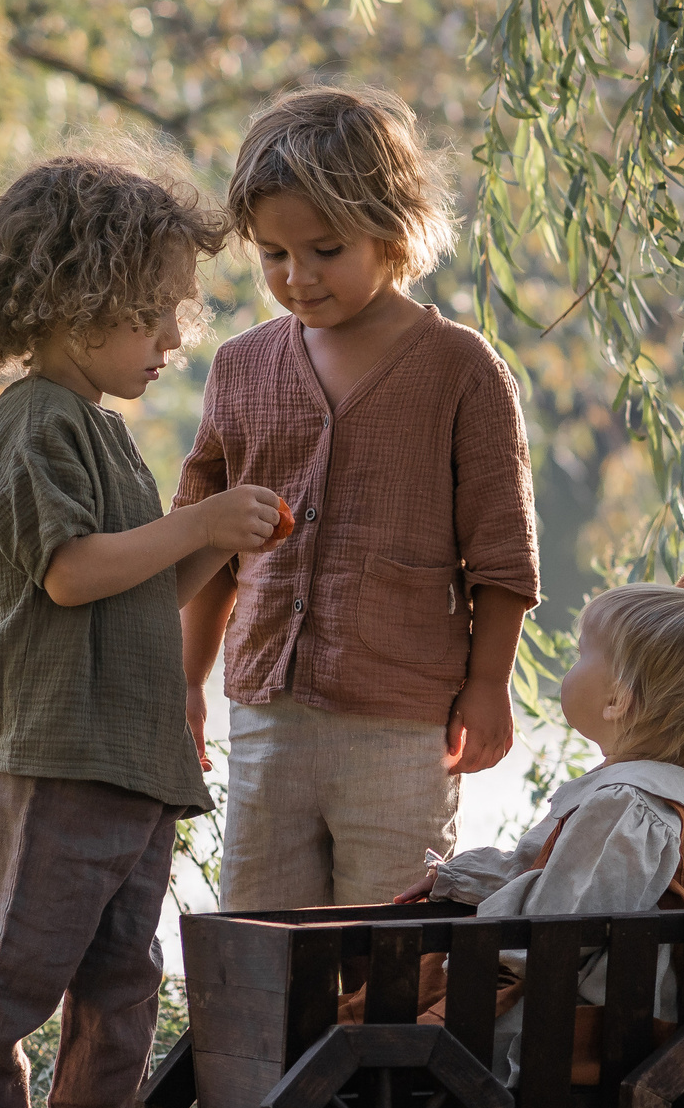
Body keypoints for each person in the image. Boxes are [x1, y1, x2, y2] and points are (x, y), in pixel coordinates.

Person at [0, 150, 284, 1108]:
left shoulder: (100, 429)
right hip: (58, 757)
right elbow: (72, 573)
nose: (173, 340)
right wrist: (196, 525)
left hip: (130, 765)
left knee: (122, 985)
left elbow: (135, 590)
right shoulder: (32, 423)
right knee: (21, 974)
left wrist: (219, 546)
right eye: (154, 315)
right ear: (79, 308)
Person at [177, 85, 540, 910]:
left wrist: (489, 683)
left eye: (326, 250)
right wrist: (187, 683)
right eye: (273, 254)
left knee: (390, 926)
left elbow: (502, 552)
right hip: (269, 711)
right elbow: (206, 551)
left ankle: (384, 1045)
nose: (296, 277)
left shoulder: (462, 370)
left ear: (394, 227)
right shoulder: (240, 368)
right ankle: (268, 1047)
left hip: (403, 720)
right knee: (262, 922)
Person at [391, 583, 684, 1081]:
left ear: (617, 700)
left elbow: (557, 928)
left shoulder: (624, 809)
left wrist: (471, 950)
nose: (573, 663)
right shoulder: (670, 800)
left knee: (400, 1006)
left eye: (583, 654)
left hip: (576, 1025)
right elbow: (550, 881)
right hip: (612, 1011)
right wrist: (456, 879)